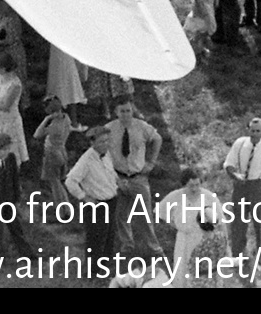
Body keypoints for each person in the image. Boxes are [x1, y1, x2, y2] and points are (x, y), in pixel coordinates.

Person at [223, 117, 261, 282]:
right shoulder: (240, 143)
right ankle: (237, 256)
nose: (255, 134)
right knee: (238, 222)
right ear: (247, 129)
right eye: (252, 130)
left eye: (258, 131)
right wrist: (235, 175)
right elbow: (228, 164)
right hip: (241, 187)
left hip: (260, 187)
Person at [106, 100, 165, 257]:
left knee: (144, 215)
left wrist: (151, 162)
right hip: (118, 177)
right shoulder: (109, 129)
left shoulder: (142, 127)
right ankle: (127, 245)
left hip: (138, 177)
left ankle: (154, 247)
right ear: (116, 112)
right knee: (120, 214)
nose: (126, 114)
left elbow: (158, 139)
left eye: (128, 111)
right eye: (122, 111)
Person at [65, 126, 119, 276]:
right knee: (96, 238)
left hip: (111, 200)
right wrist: (84, 197)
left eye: (107, 141)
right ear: (92, 143)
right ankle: (92, 272)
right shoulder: (86, 160)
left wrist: (117, 181)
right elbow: (70, 181)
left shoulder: (106, 154)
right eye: (101, 142)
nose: (105, 144)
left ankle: (106, 266)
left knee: (109, 235)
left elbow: (109, 172)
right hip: (96, 205)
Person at [155, 168, 222, 287]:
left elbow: (220, 220)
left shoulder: (209, 196)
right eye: (191, 185)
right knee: (182, 272)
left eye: (197, 184)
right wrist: (174, 223)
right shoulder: (176, 196)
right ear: (184, 184)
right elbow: (160, 211)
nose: (195, 188)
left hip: (203, 240)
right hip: (183, 239)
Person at [32, 95, 74, 204]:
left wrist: (46, 119)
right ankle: (66, 207)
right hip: (63, 152)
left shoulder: (53, 125)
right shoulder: (66, 118)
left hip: (51, 154)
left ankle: (63, 209)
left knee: (55, 185)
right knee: (59, 182)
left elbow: (37, 134)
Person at [47, 44, 88, 128]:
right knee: (68, 83)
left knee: (69, 84)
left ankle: (71, 122)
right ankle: (69, 123)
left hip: (65, 48)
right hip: (62, 49)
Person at [0, 0, 28, 83]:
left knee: (16, 79)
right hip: (0, 54)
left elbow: (11, 39)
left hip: (12, 53)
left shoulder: (13, 18)